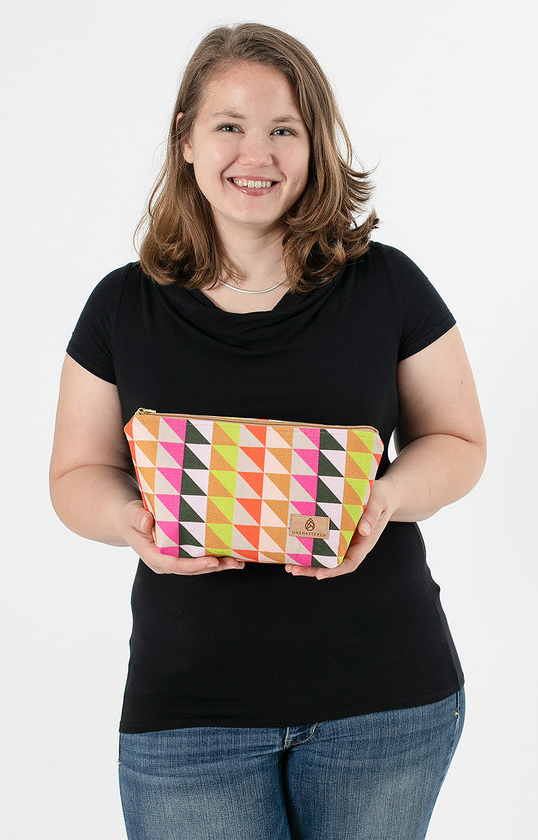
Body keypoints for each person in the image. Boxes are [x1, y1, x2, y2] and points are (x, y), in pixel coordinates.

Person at [49, 22, 486, 840]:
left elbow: (459, 443)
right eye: (230, 126)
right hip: (189, 716)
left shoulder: (388, 286)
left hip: (385, 703)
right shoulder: (120, 306)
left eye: (284, 130)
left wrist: (384, 499)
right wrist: (131, 521)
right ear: (186, 139)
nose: (258, 155)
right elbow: (76, 474)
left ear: (315, 145)